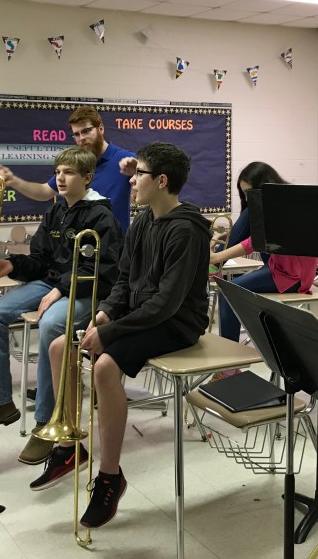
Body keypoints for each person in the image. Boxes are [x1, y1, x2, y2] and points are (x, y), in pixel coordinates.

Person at [35, 142, 210, 529]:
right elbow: (124, 280)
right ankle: (69, 448)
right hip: (141, 315)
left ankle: (110, 477)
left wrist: (111, 331)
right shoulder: (144, 220)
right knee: (60, 346)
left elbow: (166, 304)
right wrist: (105, 313)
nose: (131, 180)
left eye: (138, 174)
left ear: (161, 181)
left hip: (178, 323)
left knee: (104, 367)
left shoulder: (186, 230)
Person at [0, 147, 123, 468]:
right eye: (58, 172)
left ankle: (48, 420)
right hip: (53, 284)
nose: (60, 178)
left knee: (51, 325)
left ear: (87, 178)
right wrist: (13, 264)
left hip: (87, 290)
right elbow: (40, 259)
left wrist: (62, 289)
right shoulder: (55, 211)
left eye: (69, 173)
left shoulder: (101, 216)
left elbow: (103, 270)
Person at [209, 163, 317, 347]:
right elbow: (256, 235)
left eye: (250, 193)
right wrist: (223, 238)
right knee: (250, 212)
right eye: (245, 194)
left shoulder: (288, 205)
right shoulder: (276, 202)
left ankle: (229, 356)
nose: (248, 198)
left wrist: (218, 256)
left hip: (293, 277)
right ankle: (214, 263)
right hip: (277, 267)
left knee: (228, 292)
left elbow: (256, 241)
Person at [0, 106, 135, 233]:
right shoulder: (74, 162)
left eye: (86, 131)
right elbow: (44, 192)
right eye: (76, 134)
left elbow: (147, 179)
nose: (81, 138)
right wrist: (13, 181)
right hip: (74, 245)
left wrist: (138, 171)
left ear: (101, 129)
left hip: (112, 247)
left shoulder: (125, 159)